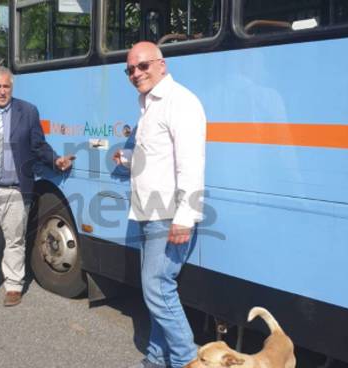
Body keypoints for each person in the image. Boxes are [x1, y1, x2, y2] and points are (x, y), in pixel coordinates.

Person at [113, 42, 206, 368]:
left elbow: (191, 164)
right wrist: (126, 158)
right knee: (157, 290)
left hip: (168, 216)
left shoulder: (180, 102)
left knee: (158, 288)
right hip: (148, 213)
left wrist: (185, 217)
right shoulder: (149, 104)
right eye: (130, 70)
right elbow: (156, 159)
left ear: (161, 65)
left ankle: (186, 360)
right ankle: (156, 359)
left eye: (143, 66)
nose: (136, 73)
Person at [0, 66, 73, 307]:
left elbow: (39, 146)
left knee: (15, 240)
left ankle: (14, 286)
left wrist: (55, 160)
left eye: (6, 86)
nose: (2, 91)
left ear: (11, 87)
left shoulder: (27, 112)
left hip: (15, 190)